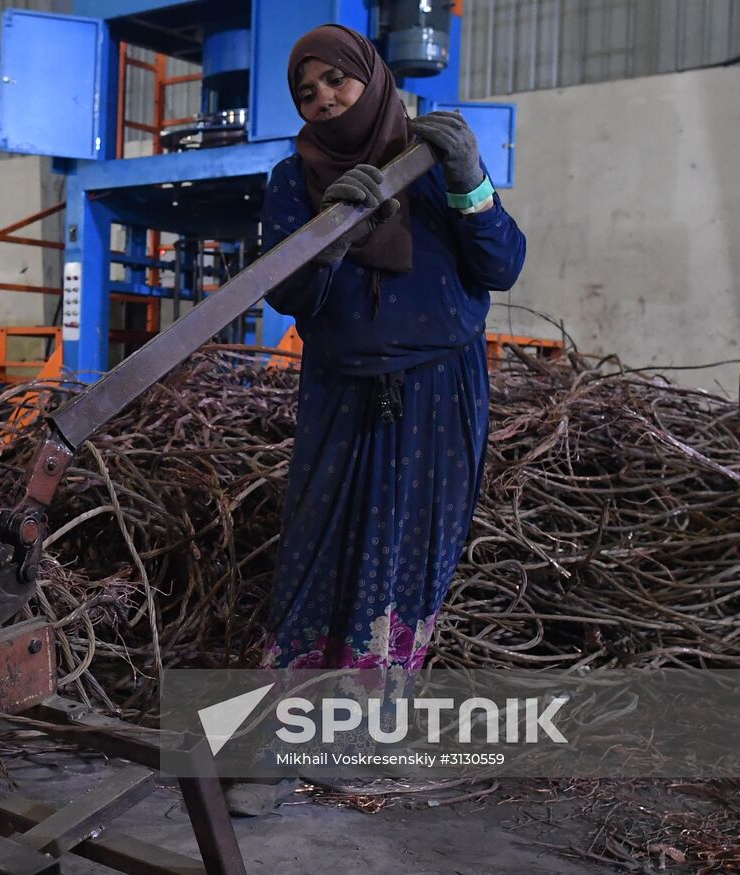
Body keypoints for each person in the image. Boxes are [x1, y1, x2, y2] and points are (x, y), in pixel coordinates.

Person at [224, 23, 526, 816]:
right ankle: (274, 746)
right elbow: (289, 297)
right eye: (307, 90)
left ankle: (366, 728)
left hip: (442, 391)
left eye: (338, 81)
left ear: (372, 77)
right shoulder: (294, 177)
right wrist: (327, 242)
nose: (325, 98)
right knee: (318, 554)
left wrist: (469, 180)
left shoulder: (428, 157)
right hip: (343, 391)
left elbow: (500, 263)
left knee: (412, 560)